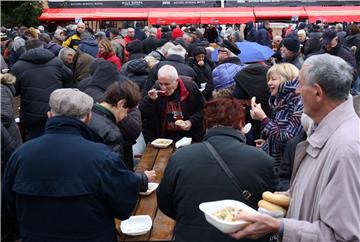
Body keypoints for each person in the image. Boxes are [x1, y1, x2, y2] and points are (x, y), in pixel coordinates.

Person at [229, 54, 360, 242]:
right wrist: (294, 196)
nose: (297, 91)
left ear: (317, 92)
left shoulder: (346, 149)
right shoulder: (323, 130)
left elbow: (343, 236)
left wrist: (279, 226)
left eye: (300, 84)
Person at [2, 88, 141, 241]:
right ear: (88, 118)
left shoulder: (21, 155)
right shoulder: (102, 157)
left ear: (49, 115)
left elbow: (10, 206)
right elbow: (124, 208)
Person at [157, 97, 276, 242]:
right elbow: (270, 208)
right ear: (241, 124)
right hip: (245, 236)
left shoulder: (180, 157)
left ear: (206, 124)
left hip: (192, 236)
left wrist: (191, 218)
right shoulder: (262, 160)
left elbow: (164, 202)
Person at [88, 81, 155, 186]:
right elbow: (115, 175)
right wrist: (141, 178)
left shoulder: (89, 116)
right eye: (127, 111)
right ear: (121, 104)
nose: (125, 116)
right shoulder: (111, 132)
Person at [11, 39, 73, 140]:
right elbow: (69, 76)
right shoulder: (56, 61)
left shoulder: (18, 66)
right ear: (43, 47)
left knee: (35, 144)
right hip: (55, 110)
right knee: (57, 141)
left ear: (26, 49)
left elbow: (13, 90)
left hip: (32, 114)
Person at [250, 63, 303, 175]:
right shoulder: (278, 101)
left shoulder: (299, 102)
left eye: (273, 79)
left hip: (289, 168)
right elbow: (277, 131)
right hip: (275, 165)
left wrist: (263, 119)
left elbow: (289, 138)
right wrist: (266, 144)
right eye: (268, 79)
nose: (269, 83)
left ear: (287, 80)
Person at [140, 64, 205, 143]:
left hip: (189, 137)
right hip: (164, 138)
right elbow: (144, 114)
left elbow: (203, 109)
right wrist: (149, 100)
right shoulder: (156, 88)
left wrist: (191, 122)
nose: (163, 88)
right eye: (161, 83)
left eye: (167, 84)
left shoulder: (190, 86)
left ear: (177, 81)